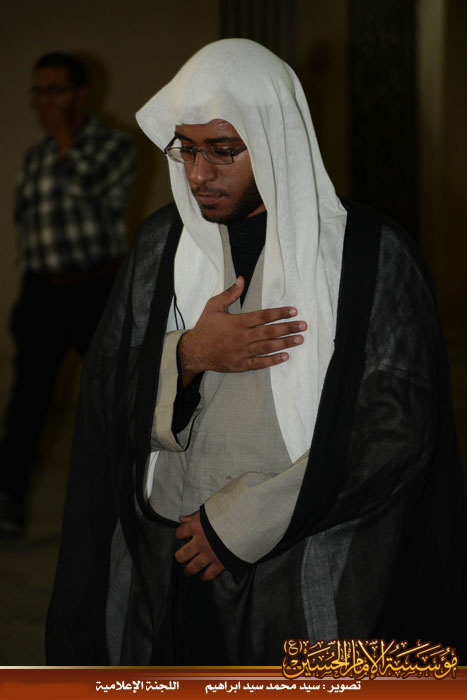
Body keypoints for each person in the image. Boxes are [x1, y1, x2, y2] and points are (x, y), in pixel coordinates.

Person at [46, 40, 466, 666]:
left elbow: (396, 428)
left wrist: (244, 523)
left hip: (299, 556)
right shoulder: (160, 246)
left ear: (274, 138)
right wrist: (188, 354)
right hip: (170, 563)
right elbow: (106, 386)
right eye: (187, 148)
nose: (198, 174)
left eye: (223, 150)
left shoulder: (367, 254)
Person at [0, 53, 135, 536]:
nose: (45, 102)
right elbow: (27, 223)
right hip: (43, 292)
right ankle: (8, 500)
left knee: (115, 398)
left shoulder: (115, 145)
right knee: (27, 402)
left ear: (81, 94)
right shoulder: (35, 157)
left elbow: (93, 191)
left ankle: (129, 503)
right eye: (38, 91)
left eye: (55, 90)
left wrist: (63, 137)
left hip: (95, 288)